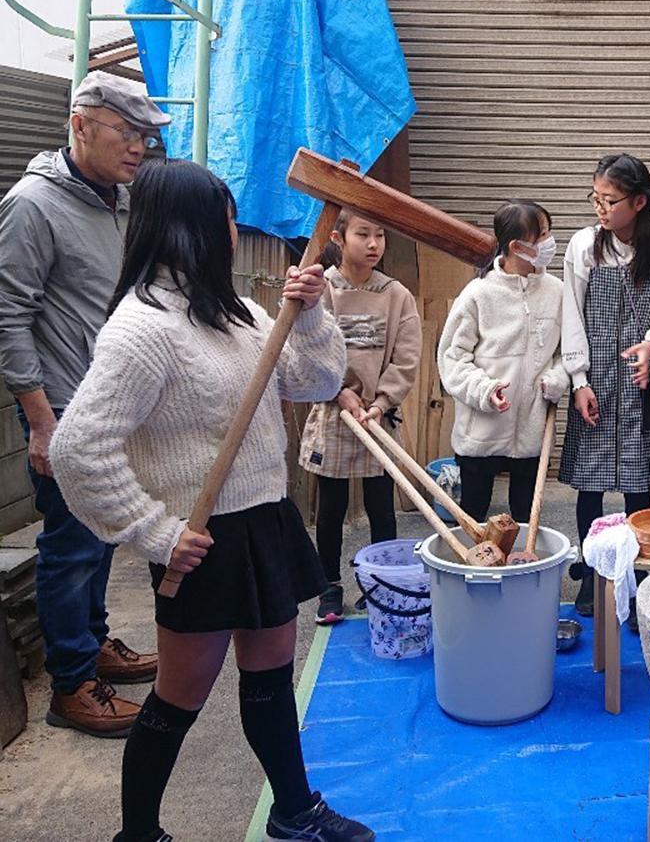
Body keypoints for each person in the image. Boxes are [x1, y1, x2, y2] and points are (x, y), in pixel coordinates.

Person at [49, 159, 374, 842]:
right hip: (199, 541)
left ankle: (295, 811)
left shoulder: (241, 314)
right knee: (180, 696)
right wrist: (152, 532)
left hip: (265, 520)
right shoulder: (141, 329)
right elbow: (77, 450)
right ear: (193, 226)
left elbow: (315, 383)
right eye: (226, 217)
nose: (234, 230)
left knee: (269, 680)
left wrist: (310, 315)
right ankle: (138, 834)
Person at [0, 72, 164, 737]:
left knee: (100, 537)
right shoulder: (32, 205)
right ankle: (71, 685)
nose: (137, 148)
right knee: (71, 546)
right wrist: (41, 423)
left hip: (110, 403)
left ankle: (93, 643)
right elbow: (8, 315)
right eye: (126, 133)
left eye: (144, 137)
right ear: (80, 124)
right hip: (63, 408)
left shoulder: (118, 201)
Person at [559, 153, 650, 616]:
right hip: (594, 376)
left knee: (638, 484)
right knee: (589, 484)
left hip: (639, 373)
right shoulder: (583, 244)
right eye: (595, 198)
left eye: (610, 200)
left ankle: (636, 577)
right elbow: (571, 315)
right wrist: (578, 379)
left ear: (638, 201)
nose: (600, 208)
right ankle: (594, 575)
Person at [299, 208, 420, 625]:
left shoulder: (395, 294)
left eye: (380, 235)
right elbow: (313, 349)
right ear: (338, 238)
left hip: (376, 416)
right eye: (363, 235)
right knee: (330, 508)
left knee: (381, 506)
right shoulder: (324, 289)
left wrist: (380, 403)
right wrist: (340, 393)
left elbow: (406, 357)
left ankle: (381, 585)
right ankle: (329, 589)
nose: (373, 245)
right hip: (335, 413)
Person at [438, 200, 568, 525]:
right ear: (517, 246)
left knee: (527, 517)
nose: (551, 242)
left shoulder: (557, 291)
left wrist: (557, 378)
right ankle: (473, 572)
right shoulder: (478, 294)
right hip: (480, 432)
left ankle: (523, 572)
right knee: (473, 515)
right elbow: (453, 358)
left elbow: (567, 353)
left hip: (532, 430)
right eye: (544, 235)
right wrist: (485, 390)